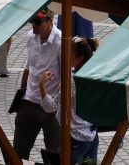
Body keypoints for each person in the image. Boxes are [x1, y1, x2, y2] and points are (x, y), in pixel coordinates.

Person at [38, 37, 101, 164]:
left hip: (75, 138)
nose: (65, 55)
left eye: (69, 53)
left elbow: (50, 106)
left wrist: (41, 85)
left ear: (80, 57)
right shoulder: (95, 74)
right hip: (92, 135)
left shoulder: (72, 81)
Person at [13, 10, 61, 160]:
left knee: (54, 154)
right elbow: (29, 67)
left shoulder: (60, 42)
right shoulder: (30, 36)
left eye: (38, 21)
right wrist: (21, 95)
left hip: (50, 106)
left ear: (50, 21)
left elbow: (67, 75)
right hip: (28, 101)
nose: (33, 24)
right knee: (17, 153)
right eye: (32, 20)